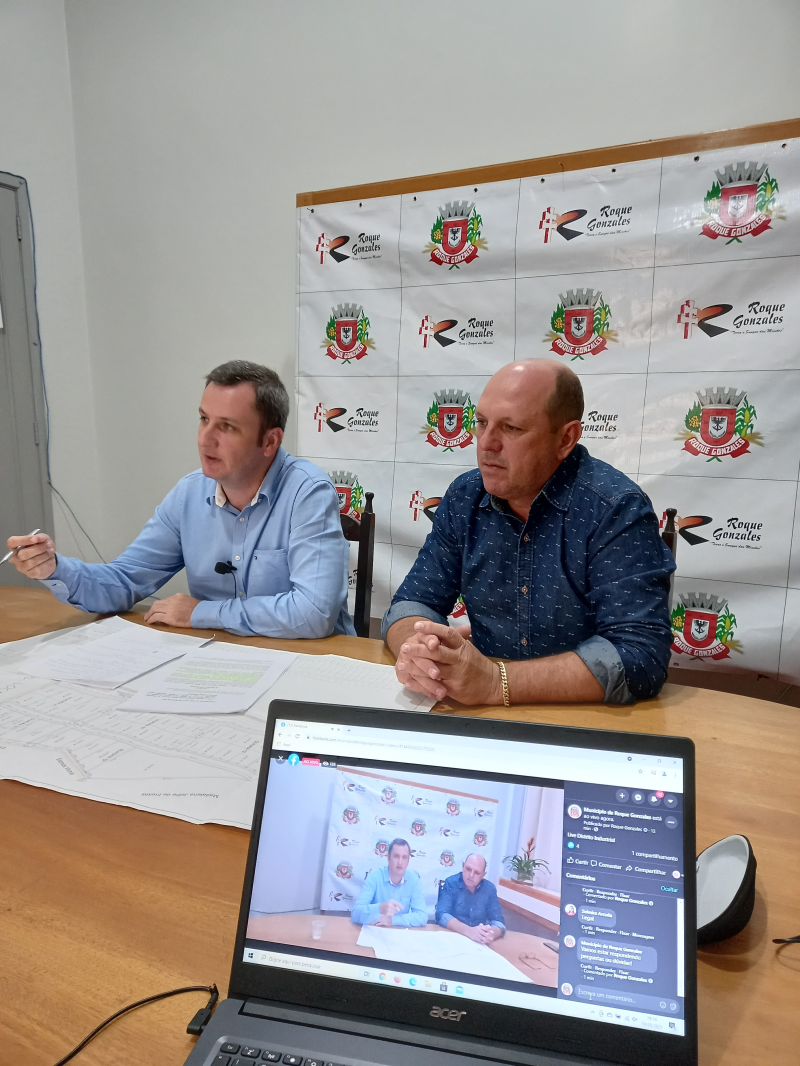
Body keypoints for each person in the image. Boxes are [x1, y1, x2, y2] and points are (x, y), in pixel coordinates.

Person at [383, 359, 675, 706]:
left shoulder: (614, 508)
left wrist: (497, 682)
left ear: (566, 438)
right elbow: (413, 602)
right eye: (481, 423)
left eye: (511, 428)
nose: (487, 443)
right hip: (482, 713)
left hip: (585, 718)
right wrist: (420, 651)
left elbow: (639, 656)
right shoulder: (465, 497)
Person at [6, 361, 354, 638]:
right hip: (223, 661)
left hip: (309, 664)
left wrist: (201, 612)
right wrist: (54, 568)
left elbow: (314, 614)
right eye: (204, 419)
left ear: (269, 441)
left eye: (227, 427)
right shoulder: (189, 494)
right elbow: (125, 581)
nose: (204, 439)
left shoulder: (307, 491)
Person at [350, 838, 427, 927]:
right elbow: (355, 914)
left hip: (400, 933)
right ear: (389, 858)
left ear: (408, 861)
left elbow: (422, 916)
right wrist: (380, 908)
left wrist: (392, 920)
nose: (400, 862)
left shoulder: (413, 880)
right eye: (396, 856)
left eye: (404, 857)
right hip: (375, 931)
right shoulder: (374, 877)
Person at [435, 854, 505, 944]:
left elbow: (499, 922)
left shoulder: (489, 889)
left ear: (483, 875)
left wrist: (490, 934)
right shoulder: (451, 883)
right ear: (463, 866)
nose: (471, 875)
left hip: (478, 942)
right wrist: (469, 931)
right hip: (452, 938)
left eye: (477, 873)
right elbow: (441, 915)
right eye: (468, 869)